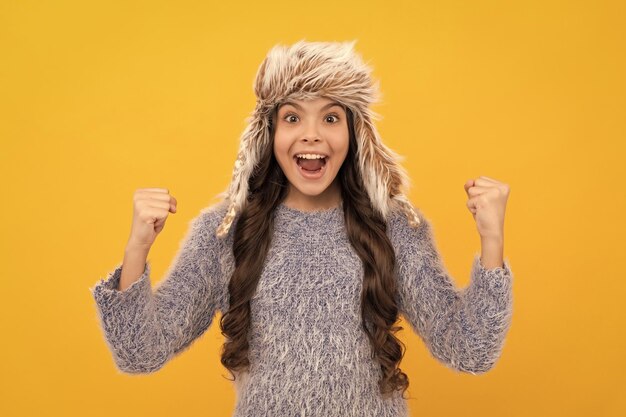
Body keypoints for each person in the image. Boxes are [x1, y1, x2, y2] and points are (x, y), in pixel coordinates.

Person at [89, 39, 514, 417]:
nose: (311, 135)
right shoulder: (226, 235)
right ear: (268, 133)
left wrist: (491, 239)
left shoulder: (394, 230)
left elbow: (469, 350)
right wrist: (137, 249)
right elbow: (139, 354)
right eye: (293, 118)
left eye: (330, 118)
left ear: (355, 134)